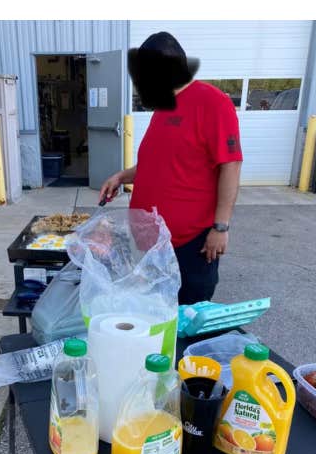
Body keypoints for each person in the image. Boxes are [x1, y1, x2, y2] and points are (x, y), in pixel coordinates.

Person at [99, 32, 243, 305]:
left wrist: (221, 227)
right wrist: (120, 176)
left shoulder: (212, 102)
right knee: (159, 313)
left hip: (191, 243)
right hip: (156, 245)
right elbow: (155, 164)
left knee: (187, 320)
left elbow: (231, 164)